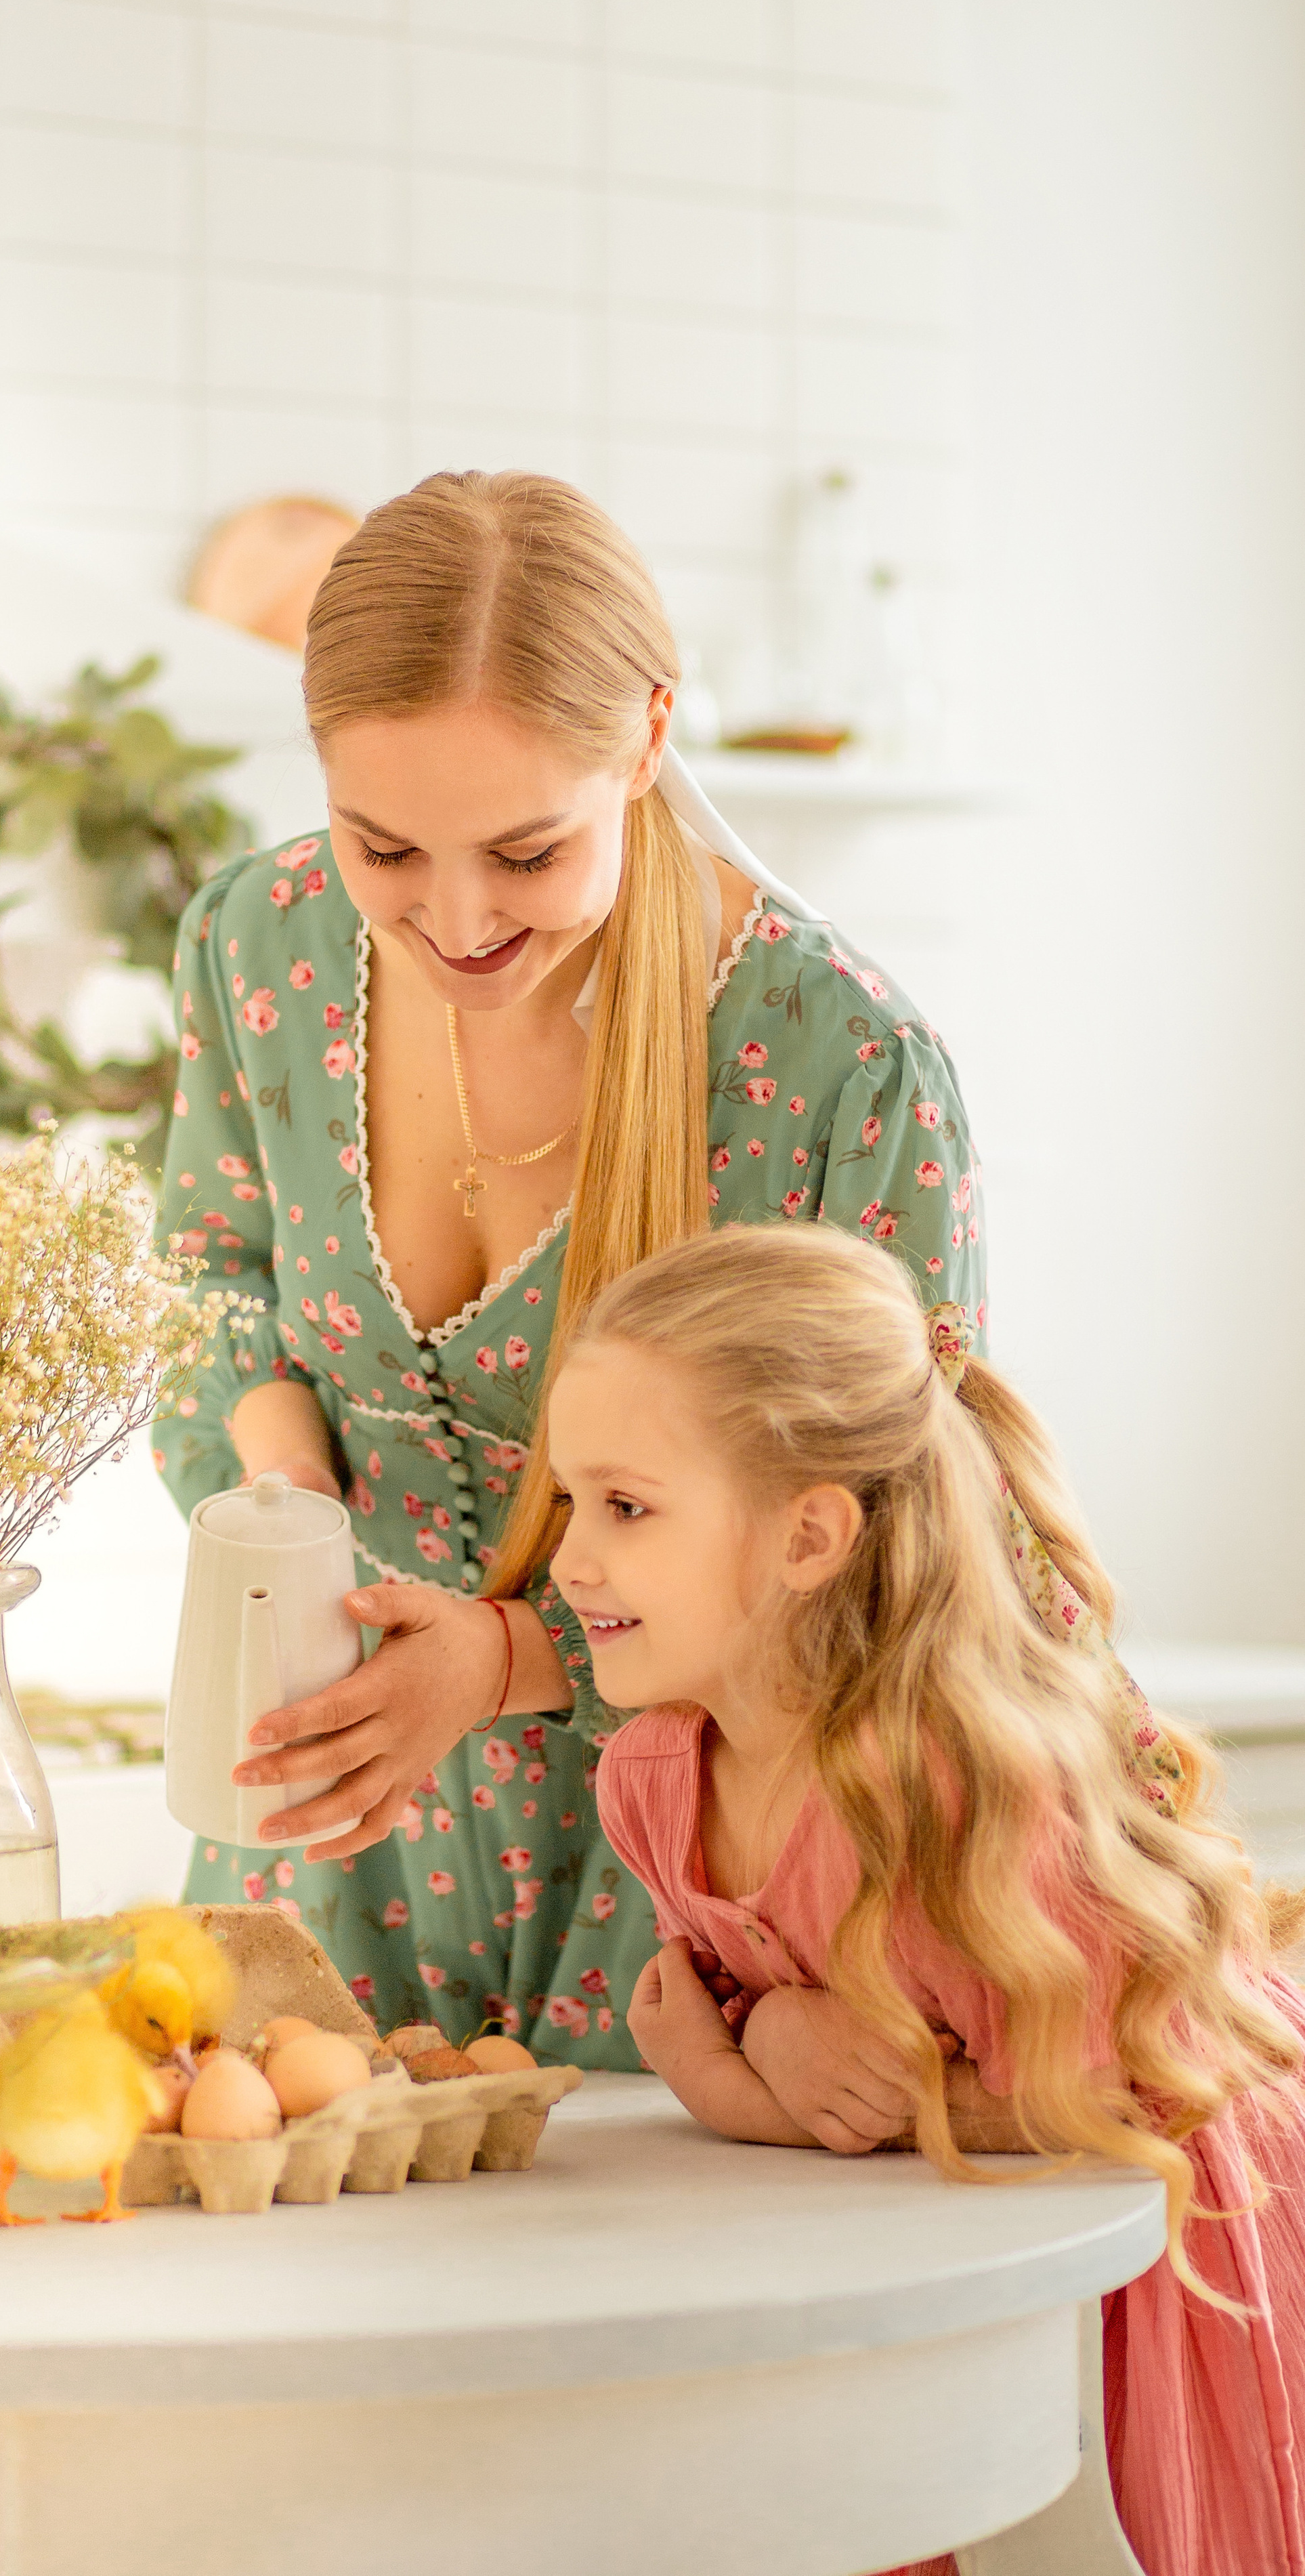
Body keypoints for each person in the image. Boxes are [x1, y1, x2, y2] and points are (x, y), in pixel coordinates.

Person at [152, 468, 989, 2063]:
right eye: (381, 847)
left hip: (695, 1881)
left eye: (527, 854)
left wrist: (508, 1661)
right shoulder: (248, 942)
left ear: (649, 741)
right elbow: (205, 1279)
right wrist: (290, 1499)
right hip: (326, 1824)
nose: (454, 920)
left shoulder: (840, 1061)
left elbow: (894, 1546)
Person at [542, 1219, 1305, 2576]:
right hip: (957, 2237)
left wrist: (746, 2081)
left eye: (624, 1506)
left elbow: (1128, 2095)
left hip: (1174, 2228)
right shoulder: (651, 1781)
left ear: (807, 1535)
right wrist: (766, 2047)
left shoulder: (956, 1794)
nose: (567, 1561)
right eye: (568, 1503)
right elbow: (763, 2020)